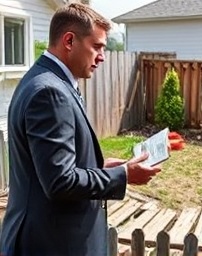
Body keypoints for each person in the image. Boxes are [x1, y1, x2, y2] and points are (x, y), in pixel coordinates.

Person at [0, 3, 161, 256]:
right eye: (96, 46)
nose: (102, 56)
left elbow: (51, 166)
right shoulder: (50, 92)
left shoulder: (44, 80)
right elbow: (60, 182)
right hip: (52, 243)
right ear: (69, 41)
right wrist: (124, 175)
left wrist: (100, 168)